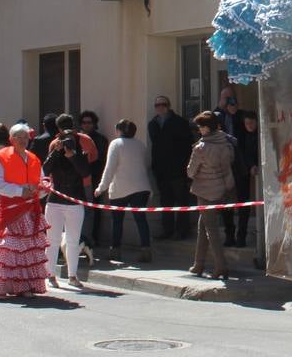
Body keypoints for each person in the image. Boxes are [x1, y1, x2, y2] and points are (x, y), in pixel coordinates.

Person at [0, 123, 50, 298]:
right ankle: (4, 286)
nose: (22, 140)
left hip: (30, 210)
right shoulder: (0, 156)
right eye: (18, 137)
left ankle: (25, 285)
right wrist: (20, 190)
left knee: (28, 249)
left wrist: (44, 188)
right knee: (10, 250)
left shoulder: (34, 158)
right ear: (11, 139)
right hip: (11, 210)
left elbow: (42, 181)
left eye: (25, 137)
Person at [95, 119, 154, 263]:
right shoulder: (140, 145)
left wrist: (101, 187)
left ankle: (115, 250)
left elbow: (110, 168)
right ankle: (146, 250)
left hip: (120, 187)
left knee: (117, 221)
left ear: (119, 130)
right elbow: (146, 164)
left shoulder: (116, 144)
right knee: (141, 219)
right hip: (141, 186)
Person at [186, 111, 234, 279]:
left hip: (205, 192)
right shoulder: (226, 144)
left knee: (211, 230)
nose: (199, 130)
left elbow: (190, 172)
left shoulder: (201, 148)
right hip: (222, 189)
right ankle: (198, 264)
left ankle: (221, 266)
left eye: (200, 127)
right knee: (203, 225)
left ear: (207, 128)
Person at [42, 130, 91, 289]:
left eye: (71, 141)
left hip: (75, 202)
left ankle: (72, 275)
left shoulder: (80, 155)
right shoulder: (55, 155)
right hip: (55, 202)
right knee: (53, 240)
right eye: (64, 141)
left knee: (73, 240)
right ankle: (50, 275)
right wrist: (56, 152)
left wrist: (73, 156)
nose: (67, 144)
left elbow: (85, 172)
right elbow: (45, 170)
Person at [148, 96, 195, 240]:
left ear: (168, 105)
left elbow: (188, 146)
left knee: (181, 200)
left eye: (162, 104)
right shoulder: (153, 124)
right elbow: (155, 146)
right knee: (165, 201)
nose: (159, 107)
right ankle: (167, 230)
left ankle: (182, 231)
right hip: (161, 170)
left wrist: (185, 167)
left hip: (177, 169)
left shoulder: (179, 122)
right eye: (157, 105)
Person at [224, 109, 260, 248]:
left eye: (252, 123)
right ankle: (236, 236)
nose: (249, 125)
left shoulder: (259, 136)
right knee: (234, 204)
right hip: (240, 171)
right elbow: (244, 153)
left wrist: (254, 165)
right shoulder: (242, 137)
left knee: (244, 204)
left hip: (247, 172)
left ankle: (241, 236)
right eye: (247, 123)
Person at [78, 111, 109, 252]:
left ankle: (92, 239)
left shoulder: (100, 139)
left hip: (94, 179)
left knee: (94, 210)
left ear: (94, 123)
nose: (86, 125)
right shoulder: (77, 139)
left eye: (89, 122)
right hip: (78, 181)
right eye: (84, 122)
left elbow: (101, 160)